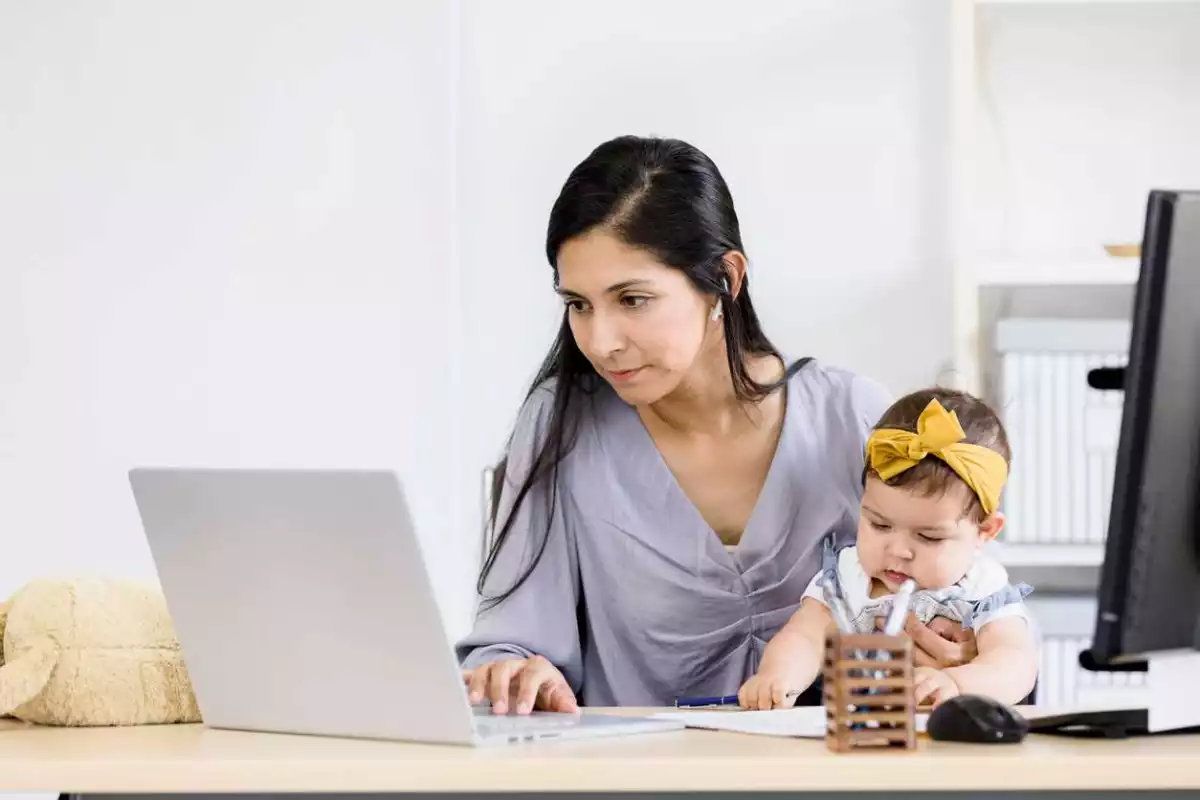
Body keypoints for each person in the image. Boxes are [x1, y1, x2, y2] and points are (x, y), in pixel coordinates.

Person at [456, 135, 974, 714]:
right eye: (579, 304)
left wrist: (958, 652)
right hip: (635, 783)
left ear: (725, 280)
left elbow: (969, 602)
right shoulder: (563, 424)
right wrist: (511, 670)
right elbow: (510, 642)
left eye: (632, 299)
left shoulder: (851, 417)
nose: (600, 342)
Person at [738, 388, 1039, 710]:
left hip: (948, 742)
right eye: (880, 525)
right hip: (856, 740)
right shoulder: (847, 580)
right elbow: (804, 638)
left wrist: (958, 683)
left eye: (929, 537)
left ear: (985, 531)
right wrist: (779, 677)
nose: (898, 550)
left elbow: (1015, 663)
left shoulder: (982, 590)